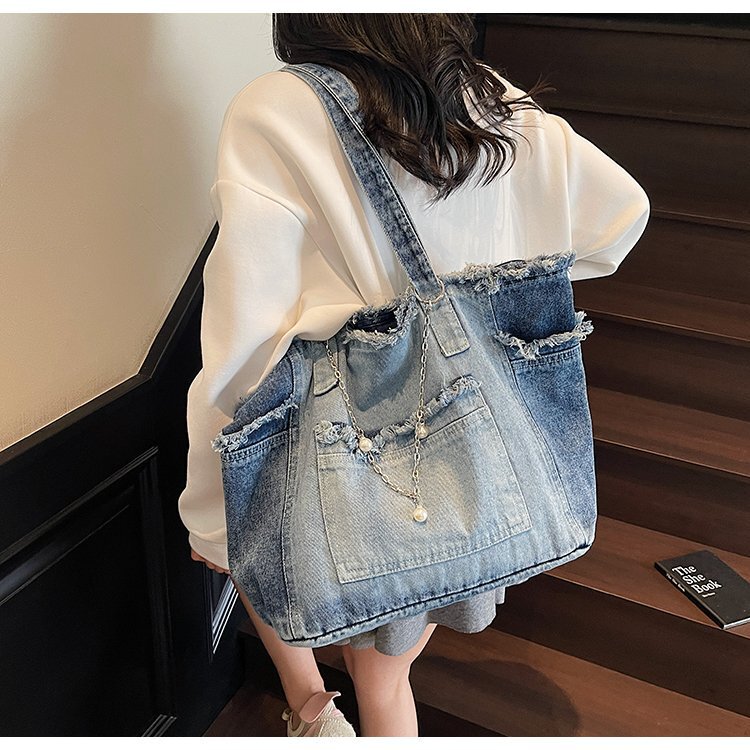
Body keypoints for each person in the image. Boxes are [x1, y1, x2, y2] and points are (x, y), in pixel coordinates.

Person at [178, 13, 650, 737]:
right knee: (388, 677)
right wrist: (489, 290)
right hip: (472, 454)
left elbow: (246, 341)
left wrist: (212, 515)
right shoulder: (487, 96)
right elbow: (620, 217)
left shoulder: (277, 108)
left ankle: (312, 711)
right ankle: (325, 716)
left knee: (279, 557)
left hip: (340, 436)